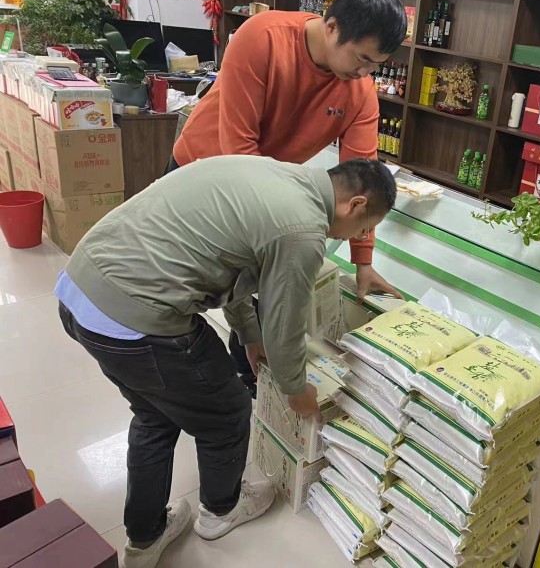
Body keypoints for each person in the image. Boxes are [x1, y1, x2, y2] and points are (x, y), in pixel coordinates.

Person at [55, 156, 396, 568]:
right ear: (356, 204)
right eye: (364, 228)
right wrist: (295, 388)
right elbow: (284, 320)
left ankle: (144, 540)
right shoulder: (303, 231)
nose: (358, 236)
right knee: (229, 412)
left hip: (81, 292)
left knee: (155, 414)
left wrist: (248, 334)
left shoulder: (275, 175)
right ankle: (221, 510)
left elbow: (232, 261)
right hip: (136, 314)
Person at [170, 0, 407, 392]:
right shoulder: (262, 37)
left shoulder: (360, 92)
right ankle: (182, 377)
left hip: (263, 182)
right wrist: (280, 229)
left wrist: (363, 261)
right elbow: (239, 151)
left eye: (377, 65)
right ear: (332, 27)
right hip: (202, 171)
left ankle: (252, 380)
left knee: (255, 285)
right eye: (362, 58)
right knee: (189, 288)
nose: (365, 73)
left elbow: (365, 181)